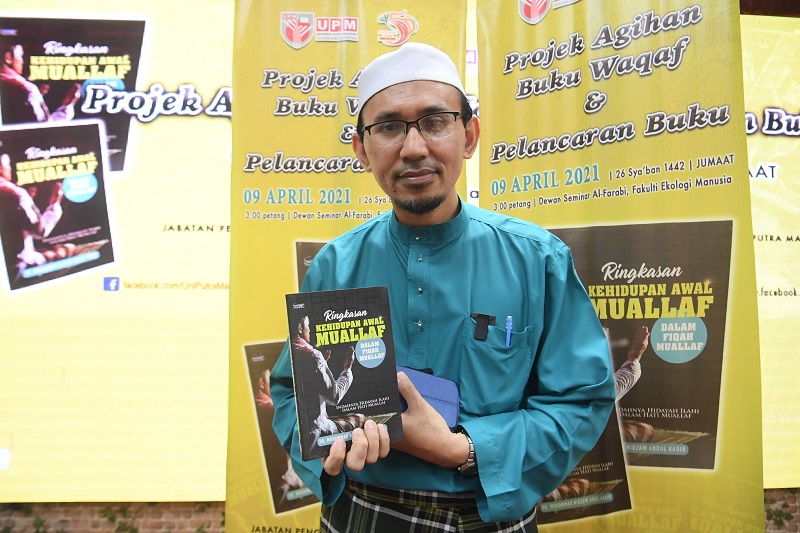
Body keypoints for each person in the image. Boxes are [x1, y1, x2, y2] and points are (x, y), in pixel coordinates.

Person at [270, 42, 616, 532]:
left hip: (490, 513)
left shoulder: (538, 259)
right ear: (361, 149)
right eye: (388, 127)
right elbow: (291, 393)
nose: (414, 148)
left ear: (469, 136)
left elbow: (581, 400)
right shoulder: (335, 265)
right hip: (364, 512)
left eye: (434, 122)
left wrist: (464, 449)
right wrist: (330, 443)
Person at [291, 315, 365, 456]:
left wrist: (322, 364)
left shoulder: (292, 352)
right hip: (315, 432)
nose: (310, 330)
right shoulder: (312, 354)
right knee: (361, 419)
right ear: (300, 328)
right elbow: (334, 398)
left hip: (297, 428)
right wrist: (347, 368)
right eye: (308, 326)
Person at [0, 153, 64, 276]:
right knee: (63, 252)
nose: (10, 169)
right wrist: (55, 204)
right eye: (7, 165)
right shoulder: (15, 193)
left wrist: (25, 205)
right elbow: (40, 231)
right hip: (18, 266)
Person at [0, 44, 80, 124]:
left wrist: (36, 98)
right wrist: (67, 106)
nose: (22, 61)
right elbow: (44, 127)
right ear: (8, 58)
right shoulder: (27, 88)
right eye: (21, 56)